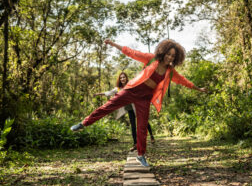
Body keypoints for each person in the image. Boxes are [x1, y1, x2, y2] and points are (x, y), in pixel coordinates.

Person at [71, 39, 207, 167]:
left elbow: (184, 81)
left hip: (145, 98)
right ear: (163, 51)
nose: (170, 57)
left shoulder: (170, 72)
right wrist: (113, 44)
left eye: (173, 56)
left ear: (176, 58)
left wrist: (199, 89)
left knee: (142, 126)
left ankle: (141, 155)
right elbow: (132, 53)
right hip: (132, 90)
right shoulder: (151, 58)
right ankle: (84, 123)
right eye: (168, 54)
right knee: (108, 106)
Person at [94, 72, 155, 152]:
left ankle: (151, 135)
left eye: (124, 77)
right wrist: (98, 94)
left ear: (126, 78)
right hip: (129, 108)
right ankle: (135, 144)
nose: (122, 79)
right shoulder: (118, 89)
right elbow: (109, 93)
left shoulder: (131, 84)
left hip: (136, 106)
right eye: (121, 78)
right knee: (133, 126)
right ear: (119, 79)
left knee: (144, 121)